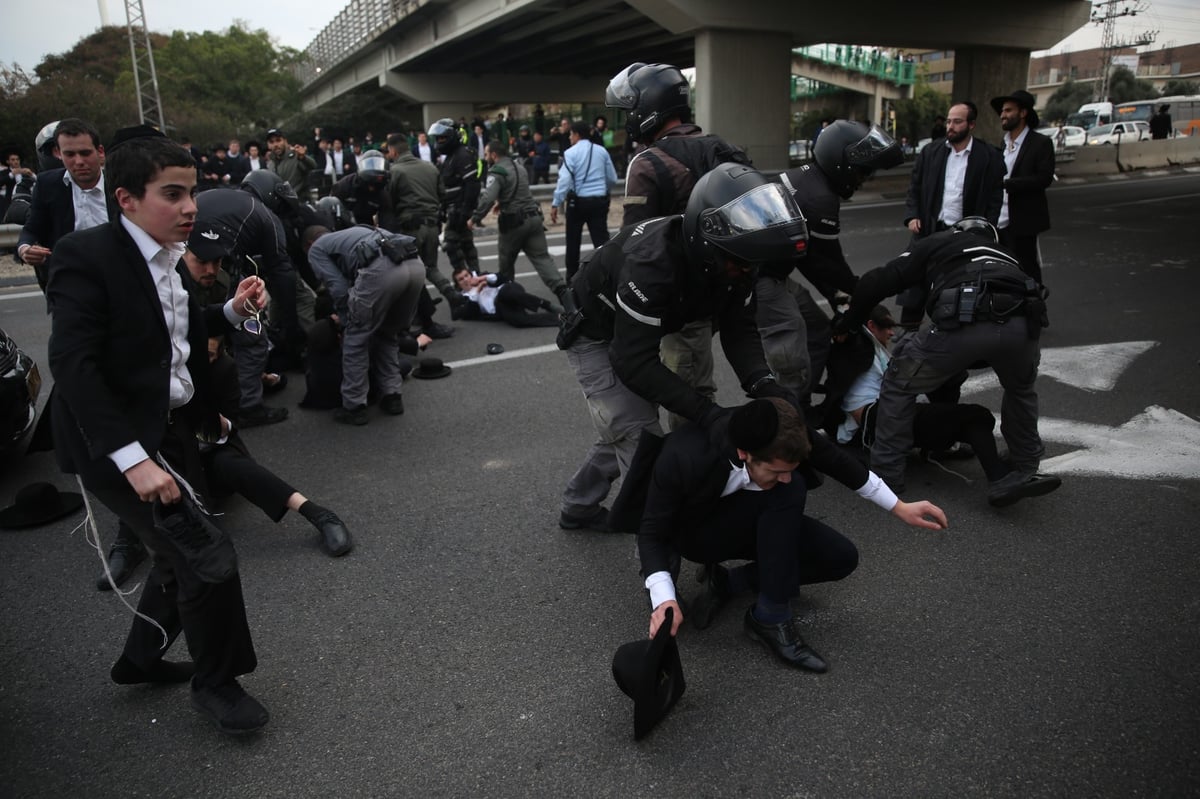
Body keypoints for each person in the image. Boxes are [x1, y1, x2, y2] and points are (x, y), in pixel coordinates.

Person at [46, 125, 272, 735]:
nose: (190, 207)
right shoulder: (86, 255)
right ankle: (217, 684)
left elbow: (169, 329)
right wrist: (132, 458)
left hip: (167, 429)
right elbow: (73, 364)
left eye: (191, 192)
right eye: (172, 194)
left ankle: (139, 660)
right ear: (127, 199)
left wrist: (229, 313)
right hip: (116, 440)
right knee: (208, 556)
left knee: (179, 555)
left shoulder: (168, 256)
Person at [557, 163, 807, 531]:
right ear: (707, 244)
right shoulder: (652, 265)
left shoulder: (732, 258)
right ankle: (658, 560)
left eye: (754, 265)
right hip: (593, 333)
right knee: (640, 436)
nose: (748, 272)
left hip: (638, 329)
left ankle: (578, 506)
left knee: (629, 426)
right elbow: (633, 361)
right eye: (740, 265)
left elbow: (739, 328)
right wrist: (708, 413)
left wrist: (763, 384)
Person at [634, 398, 946, 671]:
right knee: (791, 487)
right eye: (775, 470)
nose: (783, 477)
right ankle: (770, 616)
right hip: (700, 536)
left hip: (758, 518)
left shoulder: (784, 433)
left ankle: (730, 582)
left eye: (789, 467)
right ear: (745, 453)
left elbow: (839, 463)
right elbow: (651, 533)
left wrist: (899, 507)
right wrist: (664, 601)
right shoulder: (684, 457)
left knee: (840, 558)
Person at [833, 216, 1060, 506]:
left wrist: (848, 323)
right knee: (1021, 390)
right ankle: (1025, 463)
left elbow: (876, 282)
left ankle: (887, 474)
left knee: (900, 382)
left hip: (965, 320)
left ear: (957, 231)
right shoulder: (1007, 255)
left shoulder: (942, 242)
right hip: (1022, 326)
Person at [605, 61, 754, 431]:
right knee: (697, 384)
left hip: (673, 296)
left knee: (684, 394)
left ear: (647, 108)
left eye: (629, 111)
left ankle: (692, 473)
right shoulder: (726, 150)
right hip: (723, 291)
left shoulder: (649, 163)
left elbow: (635, 242)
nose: (627, 120)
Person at [756, 120, 901, 421]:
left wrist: (845, 299)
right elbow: (828, 264)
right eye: (862, 170)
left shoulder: (805, 177)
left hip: (769, 272)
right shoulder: (820, 198)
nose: (864, 178)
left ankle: (800, 405)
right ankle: (787, 419)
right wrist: (858, 298)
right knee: (791, 357)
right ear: (842, 163)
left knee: (818, 329)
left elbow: (812, 259)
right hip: (756, 279)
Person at [827, 304, 1019, 490]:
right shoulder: (858, 344)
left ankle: (945, 448)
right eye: (888, 327)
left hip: (883, 415)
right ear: (870, 326)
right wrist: (847, 323)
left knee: (953, 386)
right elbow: (847, 325)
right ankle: (998, 478)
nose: (892, 333)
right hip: (877, 418)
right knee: (977, 415)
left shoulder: (872, 350)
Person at [196, 333, 354, 557]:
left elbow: (233, 421)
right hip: (168, 455)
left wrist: (220, 423)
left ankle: (319, 514)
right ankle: (129, 541)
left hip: (211, 446)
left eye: (209, 355)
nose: (203, 361)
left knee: (229, 463)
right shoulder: (160, 371)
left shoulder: (224, 368)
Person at [898, 101, 1006, 328]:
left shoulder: (988, 156)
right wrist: (912, 215)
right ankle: (907, 333)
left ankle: (952, 336)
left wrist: (985, 228)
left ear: (971, 124)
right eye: (949, 121)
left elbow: (995, 197)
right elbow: (914, 188)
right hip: (929, 228)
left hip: (964, 234)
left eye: (957, 121)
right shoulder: (931, 152)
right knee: (914, 282)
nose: (951, 126)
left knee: (959, 286)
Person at [304, 225, 426, 426]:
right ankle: (392, 396)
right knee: (388, 333)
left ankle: (354, 406)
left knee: (356, 339)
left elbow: (339, 288)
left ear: (309, 244)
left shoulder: (317, 249)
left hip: (382, 269)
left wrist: (348, 320)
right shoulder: (354, 232)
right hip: (415, 265)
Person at [474, 141, 572, 309]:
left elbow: (488, 198)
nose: (486, 157)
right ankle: (565, 296)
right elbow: (519, 191)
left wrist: (475, 218)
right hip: (534, 219)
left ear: (494, 155)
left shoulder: (497, 171)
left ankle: (510, 300)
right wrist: (502, 202)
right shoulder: (520, 167)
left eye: (487, 154)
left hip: (514, 223)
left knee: (506, 265)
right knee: (542, 259)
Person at [17, 117, 108, 291]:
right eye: (70, 154)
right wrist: (25, 249)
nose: (79, 161)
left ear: (100, 151)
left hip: (117, 278)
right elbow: (31, 229)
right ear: (58, 153)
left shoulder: (120, 182)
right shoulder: (47, 184)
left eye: (85, 153)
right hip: (69, 282)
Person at [387, 133, 459, 309]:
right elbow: (442, 195)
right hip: (432, 225)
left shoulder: (395, 171)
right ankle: (450, 294)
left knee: (409, 271)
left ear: (393, 151)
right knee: (430, 267)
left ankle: (420, 313)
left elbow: (389, 201)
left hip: (410, 228)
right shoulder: (430, 167)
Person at [991, 89, 1054, 287]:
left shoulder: (1040, 143)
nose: (1003, 115)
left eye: (1008, 110)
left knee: (1027, 270)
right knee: (1002, 270)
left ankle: (1035, 310)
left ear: (1023, 113)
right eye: (1002, 111)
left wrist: (1008, 184)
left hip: (1023, 220)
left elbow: (1043, 178)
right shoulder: (1002, 144)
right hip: (999, 221)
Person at [550, 121, 618, 283]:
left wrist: (555, 203)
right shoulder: (602, 151)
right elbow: (612, 179)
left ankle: (572, 281)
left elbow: (564, 181)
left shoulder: (570, 153)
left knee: (573, 243)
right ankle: (608, 277)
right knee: (601, 242)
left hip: (577, 203)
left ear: (577, 135)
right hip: (599, 202)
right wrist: (603, 190)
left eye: (571, 134)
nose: (569, 137)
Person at [428, 118, 482, 275]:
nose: (439, 141)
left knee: (452, 245)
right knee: (466, 246)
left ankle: (467, 280)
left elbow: (473, 184)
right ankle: (473, 279)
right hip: (453, 210)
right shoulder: (451, 157)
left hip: (459, 210)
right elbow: (447, 187)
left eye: (443, 137)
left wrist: (465, 211)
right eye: (437, 138)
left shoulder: (462, 154)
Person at [450, 266, 560, 328]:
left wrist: (483, 278)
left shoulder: (482, 277)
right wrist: (478, 289)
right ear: (458, 285)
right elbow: (468, 312)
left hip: (507, 290)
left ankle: (546, 304)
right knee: (519, 321)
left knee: (506, 293)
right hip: (500, 307)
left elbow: (504, 277)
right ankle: (560, 319)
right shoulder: (465, 298)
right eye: (461, 279)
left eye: (466, 276)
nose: (465, 279)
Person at [265, 128, 316, 194]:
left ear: (285, 141)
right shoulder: (270, 164)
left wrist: (303, 158)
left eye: (278, 140)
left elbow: (312, 166)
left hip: (299, 200)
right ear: (268, 145)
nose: (275, 145)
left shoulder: (296, 156)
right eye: (271, 142)